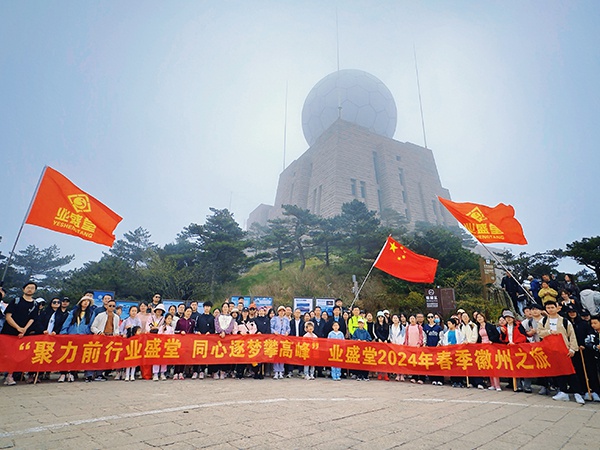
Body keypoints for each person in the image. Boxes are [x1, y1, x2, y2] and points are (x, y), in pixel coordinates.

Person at [538, 300, 585, 404]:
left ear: (557, 308)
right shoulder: (543, 321)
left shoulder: (565, 321)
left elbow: (571, 335)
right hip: (551, 350)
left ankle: (577, 392)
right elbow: (540, 333)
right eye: (548, 308)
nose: (550, 309)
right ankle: (563, 391)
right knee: (558, 371)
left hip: (565, 349)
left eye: (552, 307)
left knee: (571, 371)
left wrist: (573, 348)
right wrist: (549, 332)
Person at [1, 282, 40, 385]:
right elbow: (8, 316)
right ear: (23, 289)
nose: (30, 289)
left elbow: (32, 319)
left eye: (32, 288)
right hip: (9, 332)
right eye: (28, 287)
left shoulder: (35, 304)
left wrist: (24, 329)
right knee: (5, 355)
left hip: (23, 334)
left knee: (16, 356)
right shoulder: (16, 301)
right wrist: (18, 328)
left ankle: (10, 376)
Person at [61, 295, 95, 382]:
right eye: (84, 301)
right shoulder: (73, 312)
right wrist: (64, 334)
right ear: (80, 302)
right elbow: (66, 323)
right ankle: (70, 373)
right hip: (72, 336)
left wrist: (90, 335)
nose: (86, 302)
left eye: (88, 301)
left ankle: (88, 374)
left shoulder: (91, 313)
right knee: (72, 355)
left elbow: (91, 325)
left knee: (86, 355)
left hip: (84, 337)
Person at [475, 312, 501, 391]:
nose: (479, 318)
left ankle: (497, 385)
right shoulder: (478, 327)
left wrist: (491, 340)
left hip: (491, 346)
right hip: (483, 347)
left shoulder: (490, 326)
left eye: (481, 317)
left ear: (484, 317)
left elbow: (497, 334)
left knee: (493, 365)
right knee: (488, 365)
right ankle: (492, 384)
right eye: (478, 317)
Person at [214, 301, 236, 380]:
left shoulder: (231, 318)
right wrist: (221, 331)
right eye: (224, 307)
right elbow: (216, 325)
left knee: (225, 354)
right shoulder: (218, 317)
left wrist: (225, 332)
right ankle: (216, 371)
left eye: (227, 307)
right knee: (217, 353)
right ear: (222, 308)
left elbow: (231, 327)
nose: (225, 308)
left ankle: (223, 371)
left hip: (227, 338)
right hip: (218, 337)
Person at [441, 318, 465, 388]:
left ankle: (459, 381)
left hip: (457, 351)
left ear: (454, 324)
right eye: (448, 324)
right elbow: (444, 342)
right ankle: (454, 380)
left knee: (458, 366)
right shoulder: (446, 333)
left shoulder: (458, 332)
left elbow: (462, 340)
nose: (448, 325)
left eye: (450, 323)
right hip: (450, 351)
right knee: (452, 366)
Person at [194, 300, 215, 379]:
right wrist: (198, 331)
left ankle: (204, 371)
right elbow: (196, 327)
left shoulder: (212, 318)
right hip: (199, 339)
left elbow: (213, 328)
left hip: (209, 339)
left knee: (207, 355)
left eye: (208, 307)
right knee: (198, 355)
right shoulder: (199, 317)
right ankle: (196, 371)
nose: (207, 308)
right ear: (203, 307)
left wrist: (209, 332)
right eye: (205, 307)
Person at [174, 307, 195, 380]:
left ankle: (181, 372)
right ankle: (176, 372)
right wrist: (180, 332)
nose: (189, 313)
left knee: (184, 357)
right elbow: (175, 331)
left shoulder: (192, 322)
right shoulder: (180, 321)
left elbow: (193, 332)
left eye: (190, 311)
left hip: (188, 342)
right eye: (187, 311)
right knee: (178, 357)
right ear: (184, 312)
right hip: (180, 341)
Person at [153, 313, 175, 381]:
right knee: (157, 359)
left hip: (167, 345)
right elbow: (159, 335)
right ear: (165, 319)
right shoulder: (161, 327)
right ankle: (155, 373)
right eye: (168, 318)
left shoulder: (171, 328)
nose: (169, 320)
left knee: (164, 360)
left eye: (170, 319)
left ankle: (162, 373)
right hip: (160, 345)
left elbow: (172, 336)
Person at [423, 312, 444, 385]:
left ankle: (440, 379)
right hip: (429, 348)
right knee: (431, 363)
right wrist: (425, 344)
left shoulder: (438, 328)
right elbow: (424, 336)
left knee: (438, 363)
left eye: (432, 317)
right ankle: (433, 379)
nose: (430, 318)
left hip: (437, 348)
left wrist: (439, 343)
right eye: (428, 317)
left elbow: (441, 337)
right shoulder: (425, 327)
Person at [270, 306, 290, 379]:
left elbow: (288, 328)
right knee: (276, 354)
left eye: (283, 311)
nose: (281, 312)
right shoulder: (274, 319)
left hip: (283, 338)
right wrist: (274, 332)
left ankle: (281, 371)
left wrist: (287, 332)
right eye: (280, 311)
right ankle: (276, 371)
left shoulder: (286, 320)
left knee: (282, 354)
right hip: (276, 338)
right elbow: (271, 328)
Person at [404, 315, 424, 383]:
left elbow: (421, 336)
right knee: (413, 363)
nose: (412, 320)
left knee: (420, 362)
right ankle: (414, 376)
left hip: (418, 347)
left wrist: (419, 343)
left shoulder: (419, 327)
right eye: (411, 318)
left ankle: (421, 377)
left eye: (413, 318)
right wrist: (406, 345)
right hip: (410, 347)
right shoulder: (407, 327)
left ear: (416, 320)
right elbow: (406, 337)